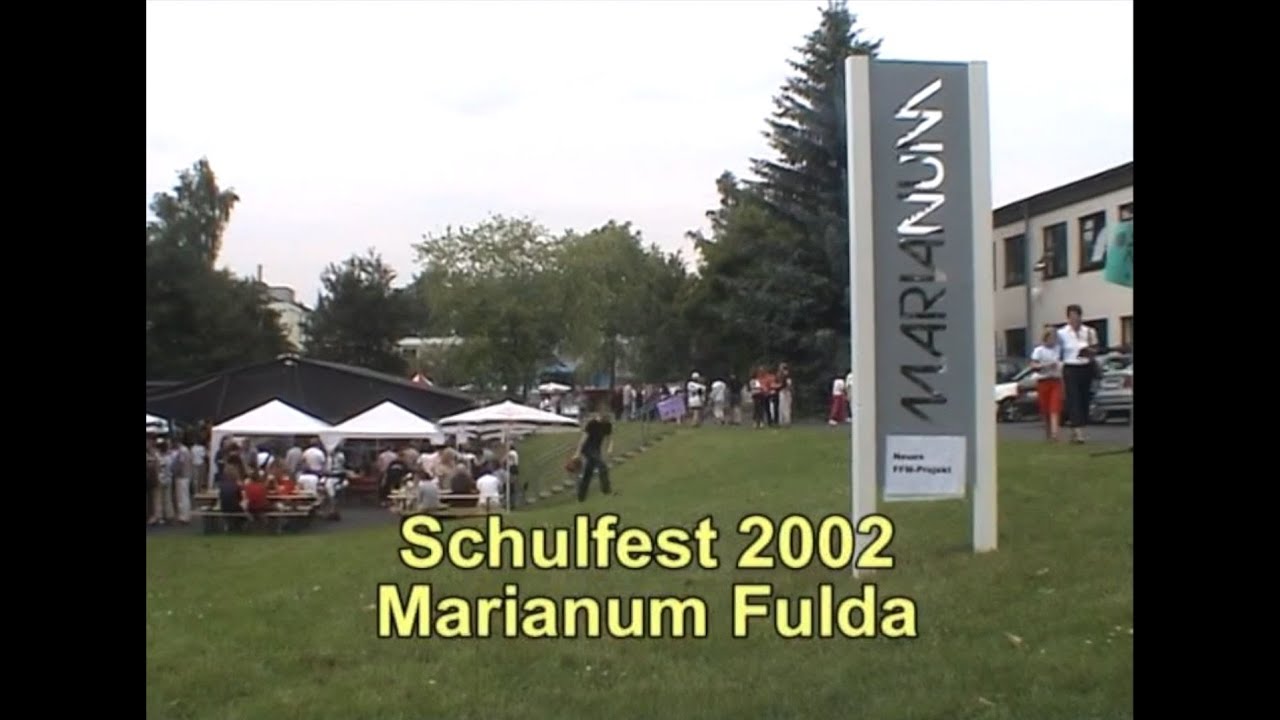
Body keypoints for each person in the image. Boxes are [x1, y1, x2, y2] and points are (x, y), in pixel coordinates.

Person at [1057, 304, 1100, 443]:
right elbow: (1058, 351)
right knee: (1073, 398)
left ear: (1080, 317)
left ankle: (1076, 429)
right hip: (1070, 367)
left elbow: (1095, 348)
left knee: (1083, 399)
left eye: (1076, 316)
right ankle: (1078, 432)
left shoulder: (1089, 331)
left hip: (1085, 366)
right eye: (1071, 316)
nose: (1074, 319)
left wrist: (1090, 351)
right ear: (1068, 317)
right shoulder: (1062, 333)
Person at [1029, 328, 1065, 441]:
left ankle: (1055, 434)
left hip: (1056, 380)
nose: (1053, 340)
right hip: (1043, 381)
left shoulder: (1059, 349)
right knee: (1045, 409)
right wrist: (1046, 365)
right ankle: (1048, 433)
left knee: (1054, 407)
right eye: (1051, 337)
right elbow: (1033, 366)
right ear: (1046, 338)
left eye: (1055, 337)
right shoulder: (1039, 350)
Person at [576, 411, 613, 501]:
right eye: (604, 417)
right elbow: (583, 439)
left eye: (607, 418)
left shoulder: (608, 425)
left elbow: (610, 438)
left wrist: (610, 448)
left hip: (596, 450)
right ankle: (606, 489)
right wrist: (577, 453)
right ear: (600, 416)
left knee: (588, 473)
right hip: (587, 449)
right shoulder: (592, 424)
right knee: (602, 466)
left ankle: (581, 496)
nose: (606, 419)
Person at [776, 363, 793, 427]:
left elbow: (788, 385)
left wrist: (786, 390)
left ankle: (786, 421)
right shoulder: (782, 375)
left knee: (786, 407)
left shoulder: (787, 375)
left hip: (785, 392)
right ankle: (782, 421)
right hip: (782, 391)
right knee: (782, 407)